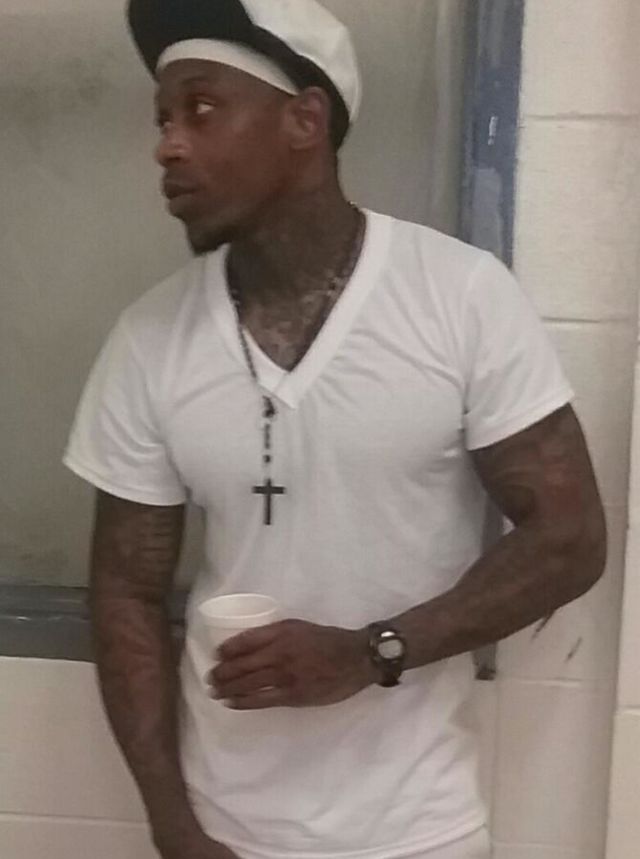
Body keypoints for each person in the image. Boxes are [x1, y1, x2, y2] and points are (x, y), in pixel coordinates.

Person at [63, 2, 606, 858]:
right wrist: (173, 822)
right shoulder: (149, 341)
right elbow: (126, 592)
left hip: (418, 830)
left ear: (304, 120)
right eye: (163, 120)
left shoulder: (458, 297)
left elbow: (570, 538)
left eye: (201, 109)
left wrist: (372, 651)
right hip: (225, 828)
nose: (168, 146)